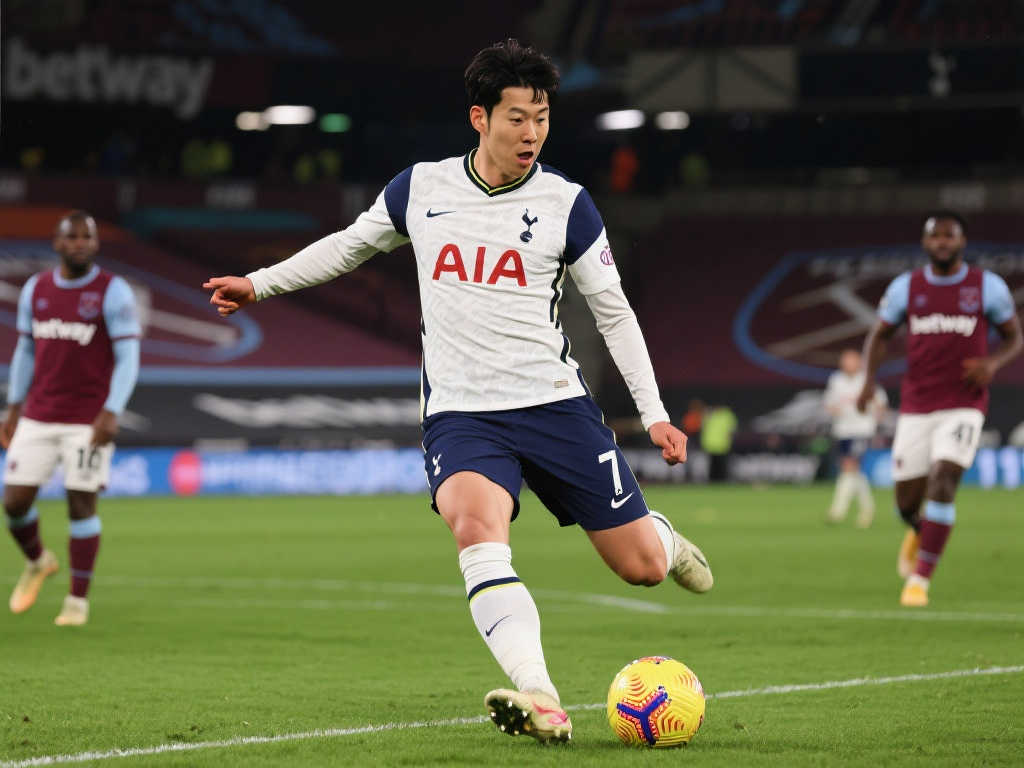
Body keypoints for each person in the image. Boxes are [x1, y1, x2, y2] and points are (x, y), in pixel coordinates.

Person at [204, 39, 712, 744]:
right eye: (517, 118)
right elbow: (348, 245)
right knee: (475, 530)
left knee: (642, 569)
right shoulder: (421, 189)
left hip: (554, 406)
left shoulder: (567, 204)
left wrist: (653, 414)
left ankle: (663, 538)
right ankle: (541, 697)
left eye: (541, 119)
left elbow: (613, 312)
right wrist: (259, 284)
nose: (531, 133)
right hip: (463, 414)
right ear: (480, 117)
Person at [857, 211, 1021, 607]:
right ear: (925, 243)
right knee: (905, 505)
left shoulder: (987, 287)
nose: (942, 242)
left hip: (964, 403)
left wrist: (993, 363)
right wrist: (868, 381)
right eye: (936, 236)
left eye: (950, 235)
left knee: (944, 479)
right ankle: (920, 531)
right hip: (917, 405)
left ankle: (919, 581)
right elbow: (879, 335)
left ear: (962, 241)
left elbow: (1014, 337)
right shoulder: (906, 288)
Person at [2, 210, 141, 626]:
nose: (80, 243)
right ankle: (38, 561)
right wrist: (14, 406)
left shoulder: (112, 291)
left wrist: (112, 410)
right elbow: (27, 349)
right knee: (14, 503)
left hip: (88, 418)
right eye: (72, 236)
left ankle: (77, 602)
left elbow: (129, 356)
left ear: (96, 244)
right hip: (39, 414)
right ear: (57, 243)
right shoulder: (36, 289)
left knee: (81, 504)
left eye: (87, 237)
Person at [823, 348, 887, 527]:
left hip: (861, 429)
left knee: (849, 465)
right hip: (843, 430)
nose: (848, 364)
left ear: (859, 362)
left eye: (851, 360)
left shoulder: (866, 380)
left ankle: (838, 510)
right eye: (845, 360)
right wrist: (834, 409)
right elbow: (829, 403)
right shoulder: (836, 380)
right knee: (853, 471)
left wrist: (876, 419)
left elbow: (881, 403)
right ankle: (867, 508)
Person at [700, 405, 736, 483]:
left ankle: (721, 481)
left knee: (722, 468)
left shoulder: (726, 415)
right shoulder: (709, 414)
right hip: (712, 446)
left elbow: (731, 431)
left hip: (722, 446)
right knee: (713, 468)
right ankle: (714, 482)